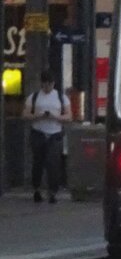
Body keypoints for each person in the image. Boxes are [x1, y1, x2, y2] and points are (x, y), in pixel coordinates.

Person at [22, 70, 71, 204]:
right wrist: (38, 115)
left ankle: (52, 192)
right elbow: (25, 114)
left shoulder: (61, 97)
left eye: (49, 84)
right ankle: (37, 189)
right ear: (41, 84)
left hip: (55, 134)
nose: (47, 87)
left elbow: (68, 116)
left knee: (53, 163)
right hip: (38, 133)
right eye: (45, 85)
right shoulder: (34, 97)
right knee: (38, 162)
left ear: (53, 84)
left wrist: (55, 117)